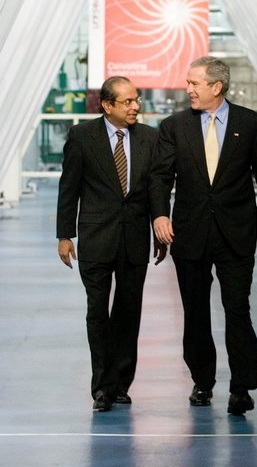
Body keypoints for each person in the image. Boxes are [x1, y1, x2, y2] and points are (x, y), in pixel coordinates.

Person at [150, 56, 257, 416]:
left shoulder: (250, 123)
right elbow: (161, 177)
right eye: (188, 83)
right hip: (190, 232)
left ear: (217, 86)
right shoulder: (174, 126)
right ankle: (202, 381)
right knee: (195, 313)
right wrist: (160, 214)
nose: (188, 89)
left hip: (235, 233)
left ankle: (241, 387)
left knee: (237, 309)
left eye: (194, 83)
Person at [57, 76, 166, 412]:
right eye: (128, 102)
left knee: (128, 313)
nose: (136, 107)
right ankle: (102, 387)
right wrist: (65, 235)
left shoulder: (150, 137)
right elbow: (69, 187)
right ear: (107, 105)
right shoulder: (82, 136)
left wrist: (159, 226)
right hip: (96, 239)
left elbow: (156, 189)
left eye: (137, 100)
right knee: (97, 312)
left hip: (135, 240)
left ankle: (121, 383)